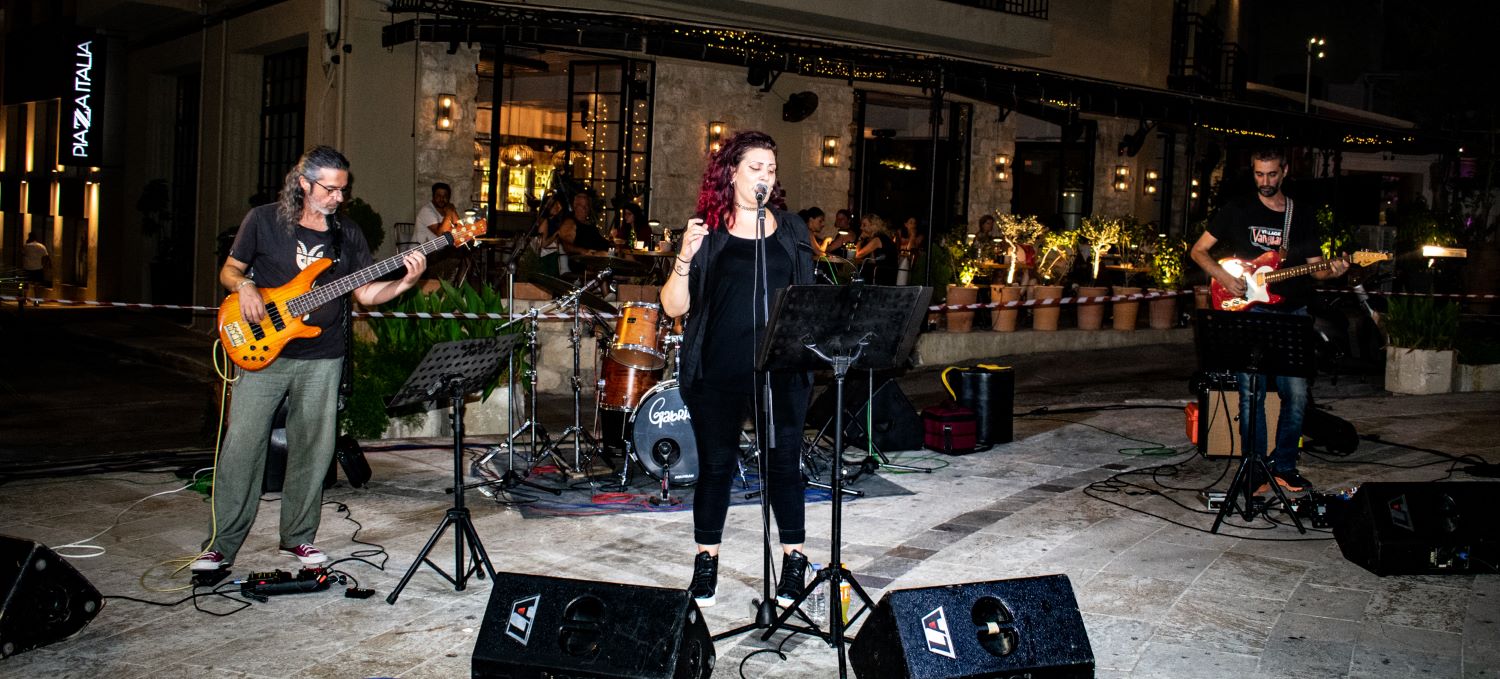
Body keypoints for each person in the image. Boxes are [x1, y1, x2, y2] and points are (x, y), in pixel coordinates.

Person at [193, 146, 428, 572]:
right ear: (303, 183)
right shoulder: (264, 220)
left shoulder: (347, 234)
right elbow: (230, 269)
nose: (339, 197)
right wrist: (245, 286)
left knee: (313, 451)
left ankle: (299, 538)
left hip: (323, 356)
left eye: (343, 190)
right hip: (263, 352)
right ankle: (220, 546)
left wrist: (405, 282)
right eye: (330, 189)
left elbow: (365, 293)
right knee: (242, 447)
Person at [660, 130, 815, 609]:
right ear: (731, 172)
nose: (765, 175)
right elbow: (673, 307)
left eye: (771, 168)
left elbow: (807, 298)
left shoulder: (792, 229)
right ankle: (706, 564)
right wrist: (684, 256)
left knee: (784, 464)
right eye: (755, 167)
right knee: (716, 467)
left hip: (781, 370)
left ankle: (793, 561)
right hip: (718, 369)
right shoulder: (708, 232)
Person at [1189, 147, 1348, 494]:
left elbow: (1316, 269)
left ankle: (1285, 467)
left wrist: (1333, 270)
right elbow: (1198, 250)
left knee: (1297, 394)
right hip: (1251, 311)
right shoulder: (1237, 209)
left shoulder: (1300, 214)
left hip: (1293, 312)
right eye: (1259, 174)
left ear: (1284, 171)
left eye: (1272, 174)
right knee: (1251, 394)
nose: (1265, 181)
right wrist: (1224, 277)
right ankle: (1255, 468)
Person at [416, 182, 465, 281]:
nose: (442, 199)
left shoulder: (447, 210)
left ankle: (457, 285)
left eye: (445, 196)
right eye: (438, 196)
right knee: (456, 254)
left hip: (439, 250)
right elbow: (440, 233)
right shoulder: (427, 210)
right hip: (423, 252)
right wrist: (449, 213)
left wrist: (453, 211)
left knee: (466, 252)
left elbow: (461, 231)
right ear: (433, 196)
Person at [555, 191, 613, 270]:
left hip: (601, 259)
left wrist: (612, 243)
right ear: (575, 206)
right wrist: (583, 251)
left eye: (587, 206)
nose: (586, 209)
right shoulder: (570, 223)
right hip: (584, 263)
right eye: (582, 206)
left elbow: (599, 240)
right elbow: (566, 245)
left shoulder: (589, 224)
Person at [853, 213, 898, 285]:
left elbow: (857, 255)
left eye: (864, 225)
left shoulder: (877, 239)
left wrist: (860, 239)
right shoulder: (880, 237)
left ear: (873, 226)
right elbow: (873, 260)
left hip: (884, 278)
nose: (861, 228)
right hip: (885, 274)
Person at [22, 231, 49, 304]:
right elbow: (46, 257)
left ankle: (24, 299)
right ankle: (36, 301)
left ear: (29, 237)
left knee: (26, 284)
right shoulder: (41, 246)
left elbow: (22, 255)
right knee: (36, 286)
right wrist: (44, 266)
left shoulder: (26, 246)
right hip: (38, 268)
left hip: (27, 268)